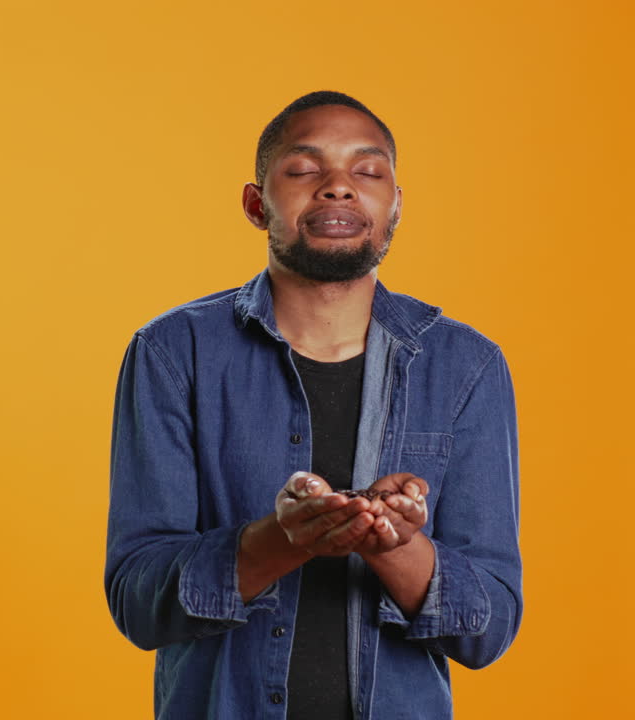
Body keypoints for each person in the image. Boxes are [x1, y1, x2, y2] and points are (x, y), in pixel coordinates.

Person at [103, 90, 522, 719]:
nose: (338, 188)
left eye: (368, 171)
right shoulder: (172, 352)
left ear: (395, 205)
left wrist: (392, 545)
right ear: (255, 204)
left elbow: (488, 627)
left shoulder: (467, 367)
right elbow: (139, 603)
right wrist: (282, 541)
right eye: (303, 170)